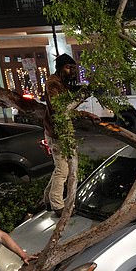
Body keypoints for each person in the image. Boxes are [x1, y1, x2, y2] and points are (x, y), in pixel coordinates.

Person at [43, 53, 98, 217]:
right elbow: (61, 109)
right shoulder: (53, 83)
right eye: (68, 68)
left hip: (61, 131)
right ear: (60, 68)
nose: (71, 71)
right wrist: (85, 114)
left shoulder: (62, 83)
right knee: (63, 170)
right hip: (57, 133)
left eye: (73, 68)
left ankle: (47, 199)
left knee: (60, 169)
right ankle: (57, 206)